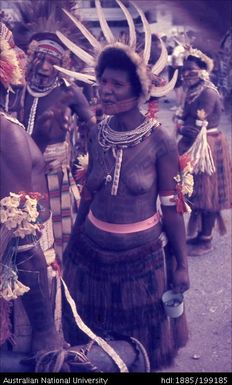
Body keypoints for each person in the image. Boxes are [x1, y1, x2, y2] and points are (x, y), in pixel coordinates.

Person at [59, 1, 190, 370]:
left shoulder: (161, 142)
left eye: (116, 84)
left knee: (142, 354)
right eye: (102, 81)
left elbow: (172, 208)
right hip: (91, 257)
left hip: (142, 262)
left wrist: (181, 264)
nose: (105, 90)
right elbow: (88, 193)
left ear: (139, 90)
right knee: (93, 345)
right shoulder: (99, 134)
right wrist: (72, 243)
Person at [11, 1, 96, 261]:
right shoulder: (18, 87)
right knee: (23, 235)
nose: (44, 67)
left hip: (55, 176)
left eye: (52, 61)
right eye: (40, 58)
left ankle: (61, 282)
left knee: (60, 240)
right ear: (31, 56)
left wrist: (88, 159)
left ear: (62, 63)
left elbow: (93, 125)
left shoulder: (70, 91)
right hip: (20, 170)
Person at [0, 22, 64, 358]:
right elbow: (23, 243)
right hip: (18, 284)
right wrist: (45, 333)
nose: (36, 67)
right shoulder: (5, 132)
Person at [175, 48, 232, 255]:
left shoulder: (207, 92)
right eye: (185, 70)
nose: (187, 74)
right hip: (196, 145)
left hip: (208, 147)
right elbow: (184, 123)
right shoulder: (193, 91)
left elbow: (196, 127)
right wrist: (182, 127)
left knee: (208, 194)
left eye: (191, 70)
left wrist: (181, 128)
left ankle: (205, 240)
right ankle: (200, 235)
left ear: (203, 70)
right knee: (197, 192)